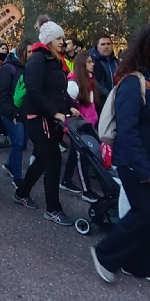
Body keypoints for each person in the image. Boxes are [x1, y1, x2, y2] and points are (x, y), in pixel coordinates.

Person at [90, 24, 150, 283]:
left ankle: (141, 265)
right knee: (144, 214)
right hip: (134, 162)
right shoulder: (132, 82)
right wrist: (144, 169)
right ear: (147, 48)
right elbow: (127, 131)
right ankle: (106, 254)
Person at [13, 21, 78, 226]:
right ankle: (53, 209)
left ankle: (21, 192)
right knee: (53, 160)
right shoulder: (38, 59)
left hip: (50, 117)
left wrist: (70, 106)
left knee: (43, 158)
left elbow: (58, 91)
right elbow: (34, 90)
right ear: (49, 40)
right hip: (38, 117)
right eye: (59, 38)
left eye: (63, 38)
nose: (63, 42)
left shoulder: (55, 60)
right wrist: (55, 113)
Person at [60, 51, 100, 203]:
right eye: (89, 62)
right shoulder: (73, 83)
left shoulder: (89, 81)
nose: (93, 64)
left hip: (87, 125)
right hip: (78, 127)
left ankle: (66, 181)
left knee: (75, 155)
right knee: (82, 157)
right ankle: (87, 190)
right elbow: (67, 104)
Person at [0, 40, 30, 185]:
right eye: (29, 52)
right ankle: (17, 178)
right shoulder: (8, 68)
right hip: (11, 113)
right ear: (21, 52)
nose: (32, 55)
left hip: (25, 113)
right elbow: (1, 93)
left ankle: (10, 165)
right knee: (18, 143)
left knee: (21, 143)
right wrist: (11, 114)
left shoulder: (30, 68)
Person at [91, 35, 119, 107]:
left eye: (108, 44)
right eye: (103, 44)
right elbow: (94, 81)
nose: (106, 47)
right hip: (100, 102)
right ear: (97, 47)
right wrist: (108, 94)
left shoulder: (117, 62)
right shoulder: (92, 62)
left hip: (117, 99)